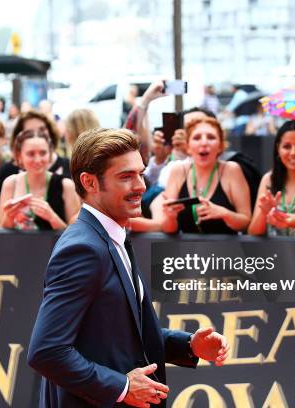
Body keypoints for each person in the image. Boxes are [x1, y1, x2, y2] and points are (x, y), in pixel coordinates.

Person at [27, 128, 229, 408]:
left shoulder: (112, 235)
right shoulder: (82, 249)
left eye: (140, 173)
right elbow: (46, 351)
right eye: (125, 177)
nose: (141, 186)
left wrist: (189, 345)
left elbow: (119, 333)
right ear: (89, 182)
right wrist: (122, 387)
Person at [155, 116, 252, 234]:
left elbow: (246, 222)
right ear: (188, 147)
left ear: (221, 146)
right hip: (185, 251)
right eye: (197, 138)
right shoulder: (177, 171)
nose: (204, 142)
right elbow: (168, 229)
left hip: (226, 251)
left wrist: (224, 214)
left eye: (211, 137)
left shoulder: (231, 170)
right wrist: (170, 217)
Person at [0, 129, 80, 230]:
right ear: (19, 156)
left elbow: (75, 234)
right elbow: (0, 232)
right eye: (31, 154)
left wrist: (52, 218)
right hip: (17, 245)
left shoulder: (66, 185)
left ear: (50, 154)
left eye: (43, 153)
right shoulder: (10, 183)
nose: (38, 160)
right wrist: (9, 217)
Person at [0, 110, 70, 209]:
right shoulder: (8, 172)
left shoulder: (69, 167)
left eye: (42, 129)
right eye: (29, 131)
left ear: (50, 131)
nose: (37, 134)